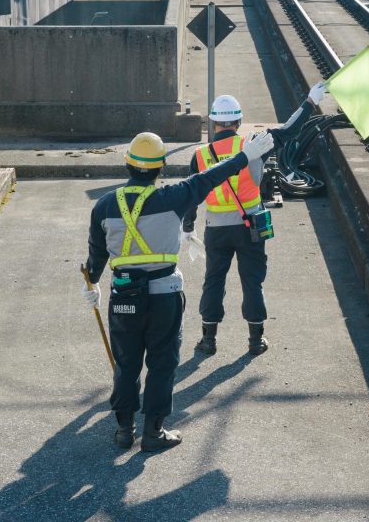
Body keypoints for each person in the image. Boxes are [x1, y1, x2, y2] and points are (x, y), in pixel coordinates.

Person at [84, 129, 275, 452]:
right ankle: (154, 432)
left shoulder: (104, 206)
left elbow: (95, 254)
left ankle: (123, 430)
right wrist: (247, 155)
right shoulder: (173, 197)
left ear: (127, 165)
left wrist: (92, 285)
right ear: (159, 169)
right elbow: (211, 176)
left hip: (123, 296)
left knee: (126, 362)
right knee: (162, 362)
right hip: (164, 295)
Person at [183, 82, 328, 357]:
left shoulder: (200, 155)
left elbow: (192, 195)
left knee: (214, 281)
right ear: (238, 121)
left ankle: (209, 340)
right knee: (252, 281)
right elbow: (289, 131)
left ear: (213, 123)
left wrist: (188, 228)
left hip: (216, 228)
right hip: (251, 225)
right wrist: (310, 100)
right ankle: (255, 341)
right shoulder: (254, 144)